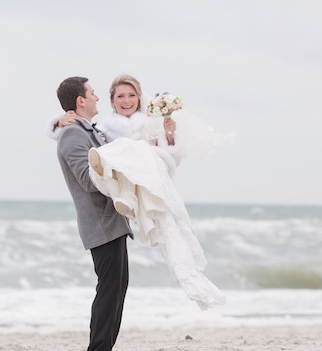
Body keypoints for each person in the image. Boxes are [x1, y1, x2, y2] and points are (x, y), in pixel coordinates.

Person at [49, 74, 230, 310]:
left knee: (119, 282)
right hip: (113, 201)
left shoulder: (149, 123)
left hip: (137, 190)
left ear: (139, 98)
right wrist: (60, 120)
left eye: (132, 95)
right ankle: (100, 348)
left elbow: (165, 161)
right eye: (120, 96)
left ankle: (103, 347)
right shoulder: (101, 129)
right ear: (112, 101)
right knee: (111, 284)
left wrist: (168, 136)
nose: (126, 101)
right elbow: (83, 146)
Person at [54, 76, 135, 351]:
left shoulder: (91, 130)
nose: (98, 98)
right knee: (108, 288)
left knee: (118, 286)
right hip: (99, 223)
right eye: (93, 93)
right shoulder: (72, 135)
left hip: (113, 221)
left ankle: (106, 350)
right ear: (80, 100)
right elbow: (88, 180)